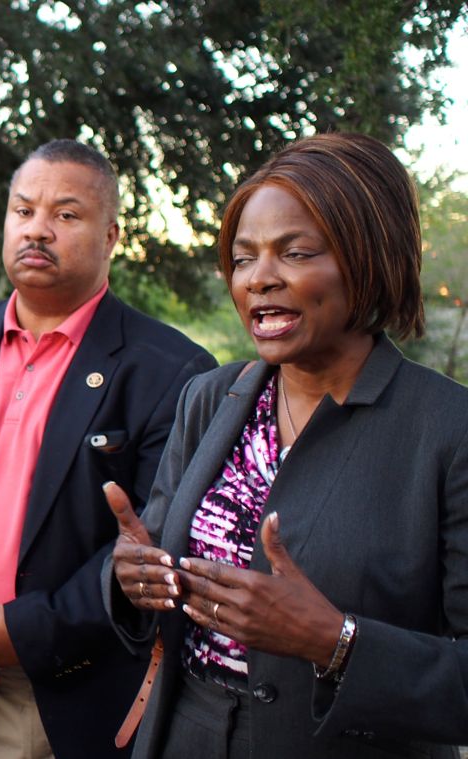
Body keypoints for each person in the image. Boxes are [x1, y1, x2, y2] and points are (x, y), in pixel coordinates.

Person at [104, 132, 468, 758]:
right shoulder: (208, 398)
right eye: (243, 260)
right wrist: (133, 576)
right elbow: (159, 556)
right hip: (185, 736)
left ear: (367, 257)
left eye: (294, 253)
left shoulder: (447, 428)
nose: (259, 280)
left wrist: (336, 640)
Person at [0, 139, 215, 758]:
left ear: (112, 234)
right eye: (22, 210)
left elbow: (153, 542)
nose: (37, 231)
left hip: (77, 692)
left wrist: (23, 631)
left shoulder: (172, 371)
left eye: (66, 215)